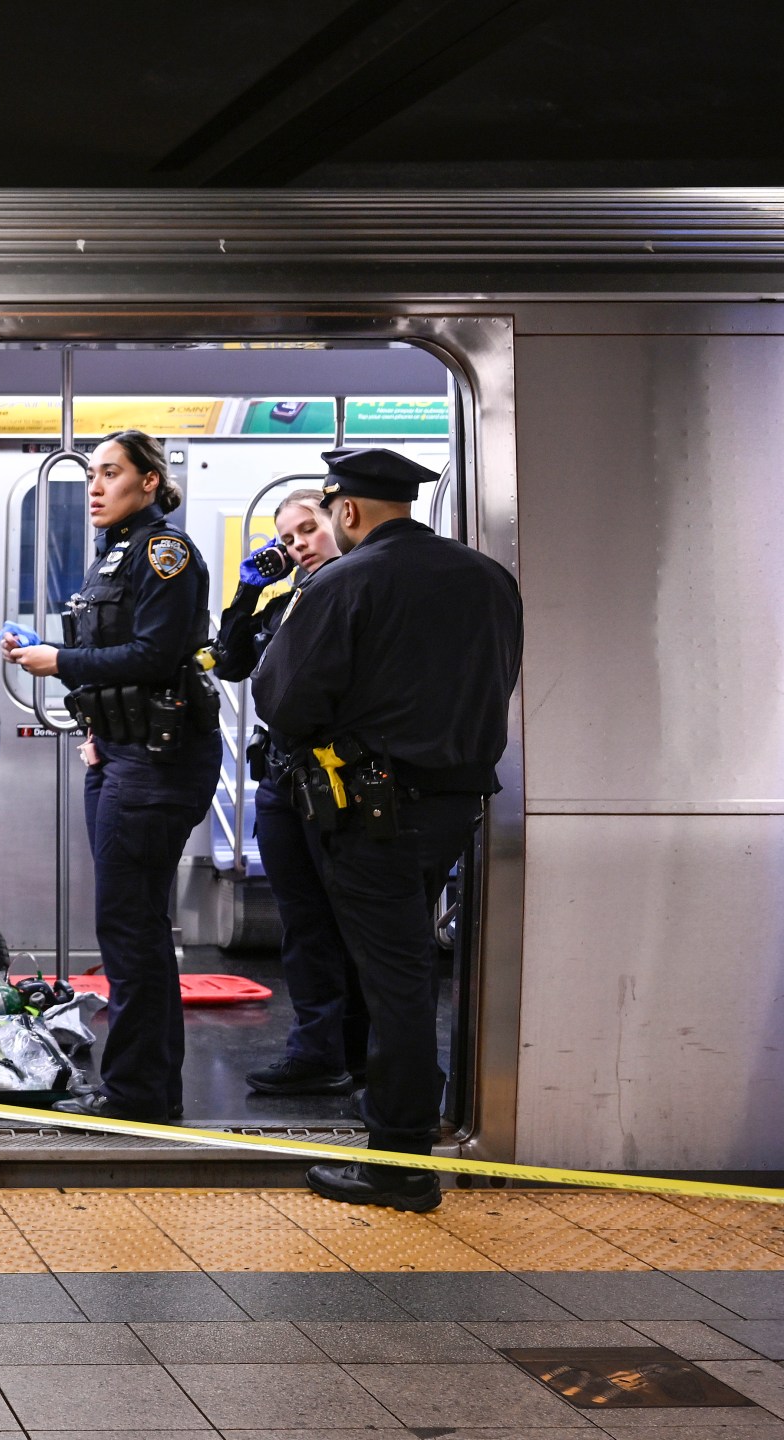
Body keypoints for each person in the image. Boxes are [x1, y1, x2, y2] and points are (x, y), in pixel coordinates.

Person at [253, 447, 522, 1212]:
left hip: (373, 813)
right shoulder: (489, 578)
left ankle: (399, 1160)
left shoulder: (344, 581)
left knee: (395, 977)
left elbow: (286, 701)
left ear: (347, 510)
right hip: (454, 805)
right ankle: (410, 1124)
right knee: (406, 966)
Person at [2, 430, 219, 1123]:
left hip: (158, 764)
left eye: (112, 473)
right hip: (122, 755)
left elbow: (156, 656)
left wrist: (57, 664)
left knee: (132, 930)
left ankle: (140, 1098)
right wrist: (94, 722)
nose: (95, 486)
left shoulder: (165, 553)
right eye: (92, 474)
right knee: (129, 927)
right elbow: (117, 655)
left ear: (149, 482)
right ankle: (141, 1087)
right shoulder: (115, 557)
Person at [208, 490, 366, 1099]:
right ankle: (318, 1050)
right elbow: (229, 663)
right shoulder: (285, 603)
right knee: (302, 922)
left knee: (348, 919)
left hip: (338, 783)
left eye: (310, 529)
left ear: (341, 525)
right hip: (281, 781)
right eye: (289, 537)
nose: (299, 544)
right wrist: (248, 594)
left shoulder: (352, 595)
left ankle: (355, 1048)